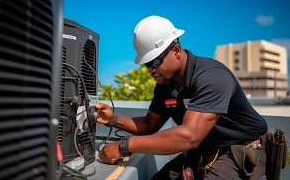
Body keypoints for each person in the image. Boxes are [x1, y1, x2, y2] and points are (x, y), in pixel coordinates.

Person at [96, 15, 268, 180]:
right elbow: (150, 124)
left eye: (155, 62)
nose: (151, 70)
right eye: (147, 64)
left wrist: (125, 146)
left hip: (239, 149)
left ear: (176, 50)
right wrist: (113, 119)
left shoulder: (212, 76)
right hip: (204, 150)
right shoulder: (165, 86)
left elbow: (189, 136)